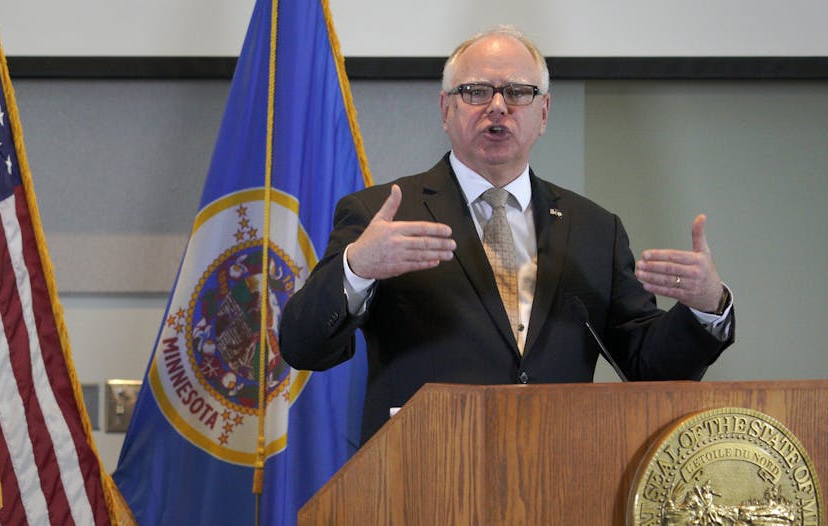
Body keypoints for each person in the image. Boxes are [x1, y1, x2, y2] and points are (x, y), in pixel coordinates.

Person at [278, 25, 734, 442]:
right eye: (476, 91)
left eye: (517, 92)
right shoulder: (381, 215)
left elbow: (649, 367)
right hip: (421, 481)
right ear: (445, 108)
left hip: (558, 480)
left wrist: (706, 308)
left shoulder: (595, 229)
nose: (498, 106)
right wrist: (357, 269)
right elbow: (302, 346)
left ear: (544, 112)